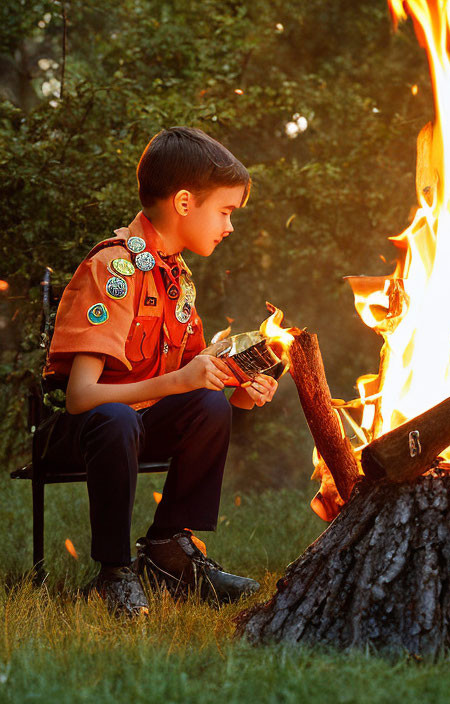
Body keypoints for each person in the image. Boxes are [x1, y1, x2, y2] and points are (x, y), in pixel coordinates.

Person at [43, 126, 279, 615]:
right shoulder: (115, 268)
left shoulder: (175, 278)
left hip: (141, 423)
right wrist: (179, 381)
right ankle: (113, 571)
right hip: (85, 430)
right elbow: (80, 398)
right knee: (117, 418)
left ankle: (169, 549)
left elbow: (194, 382)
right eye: (226, 211)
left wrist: (241, 390)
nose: (230, 226)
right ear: (186, 203)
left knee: (212, 402)